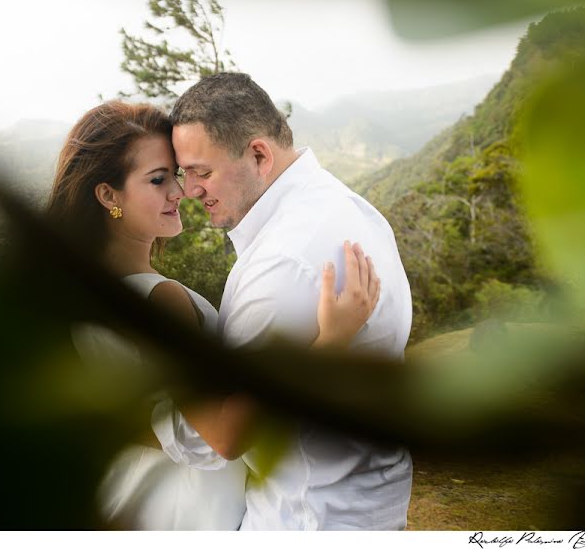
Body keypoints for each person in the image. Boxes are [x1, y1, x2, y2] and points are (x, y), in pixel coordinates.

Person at [47, 100, 381, 530]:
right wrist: (329, 343)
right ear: (109, 195)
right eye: (157, 180)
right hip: (187, 512)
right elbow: (223, 435)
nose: (180, 192)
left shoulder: (83, 293)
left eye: (179, 175)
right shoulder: (160, 299)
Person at [163, 72, 414, 530]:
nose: (190, 190)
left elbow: (223, 435)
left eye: (202, 171)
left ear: (259, 154)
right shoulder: (348, 205)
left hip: (306, 516)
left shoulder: (282, 265)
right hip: (363, 500)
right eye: (183, 173)